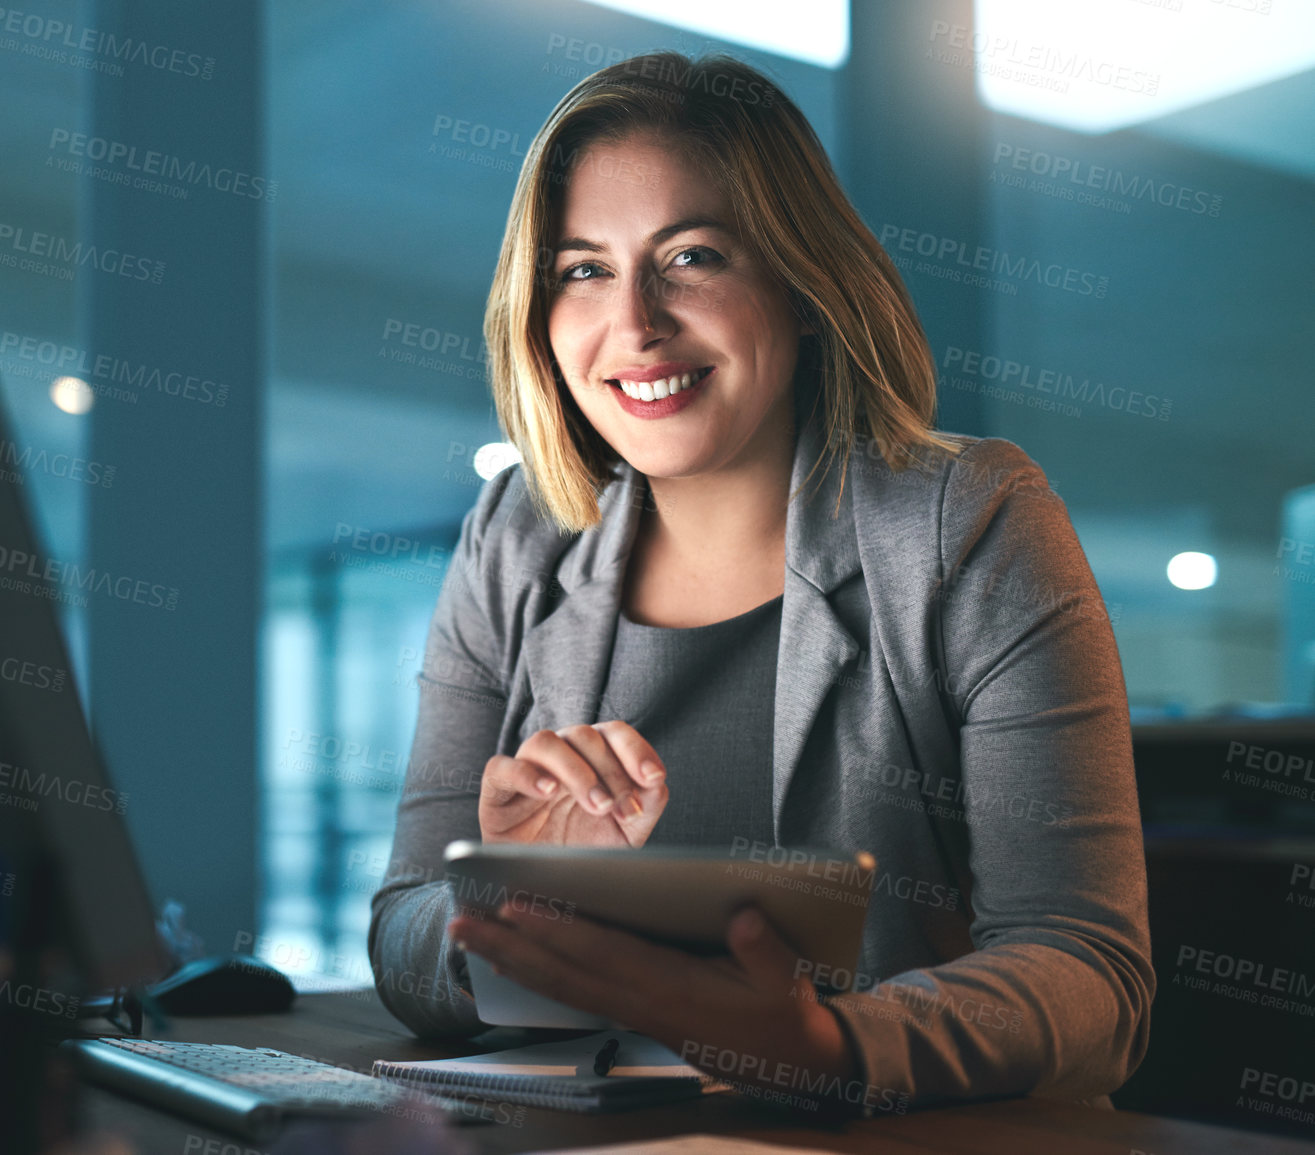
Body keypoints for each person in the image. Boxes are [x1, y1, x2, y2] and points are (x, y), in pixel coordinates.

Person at [366, 51, 1153, 1118]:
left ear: (804, 286)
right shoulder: (516, 536)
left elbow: (1091, 974)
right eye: (583, 269)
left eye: (691, 257)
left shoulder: (971, 523)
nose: (635, 324)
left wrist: (829, 1043)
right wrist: (504, 903)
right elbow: (404, 927)